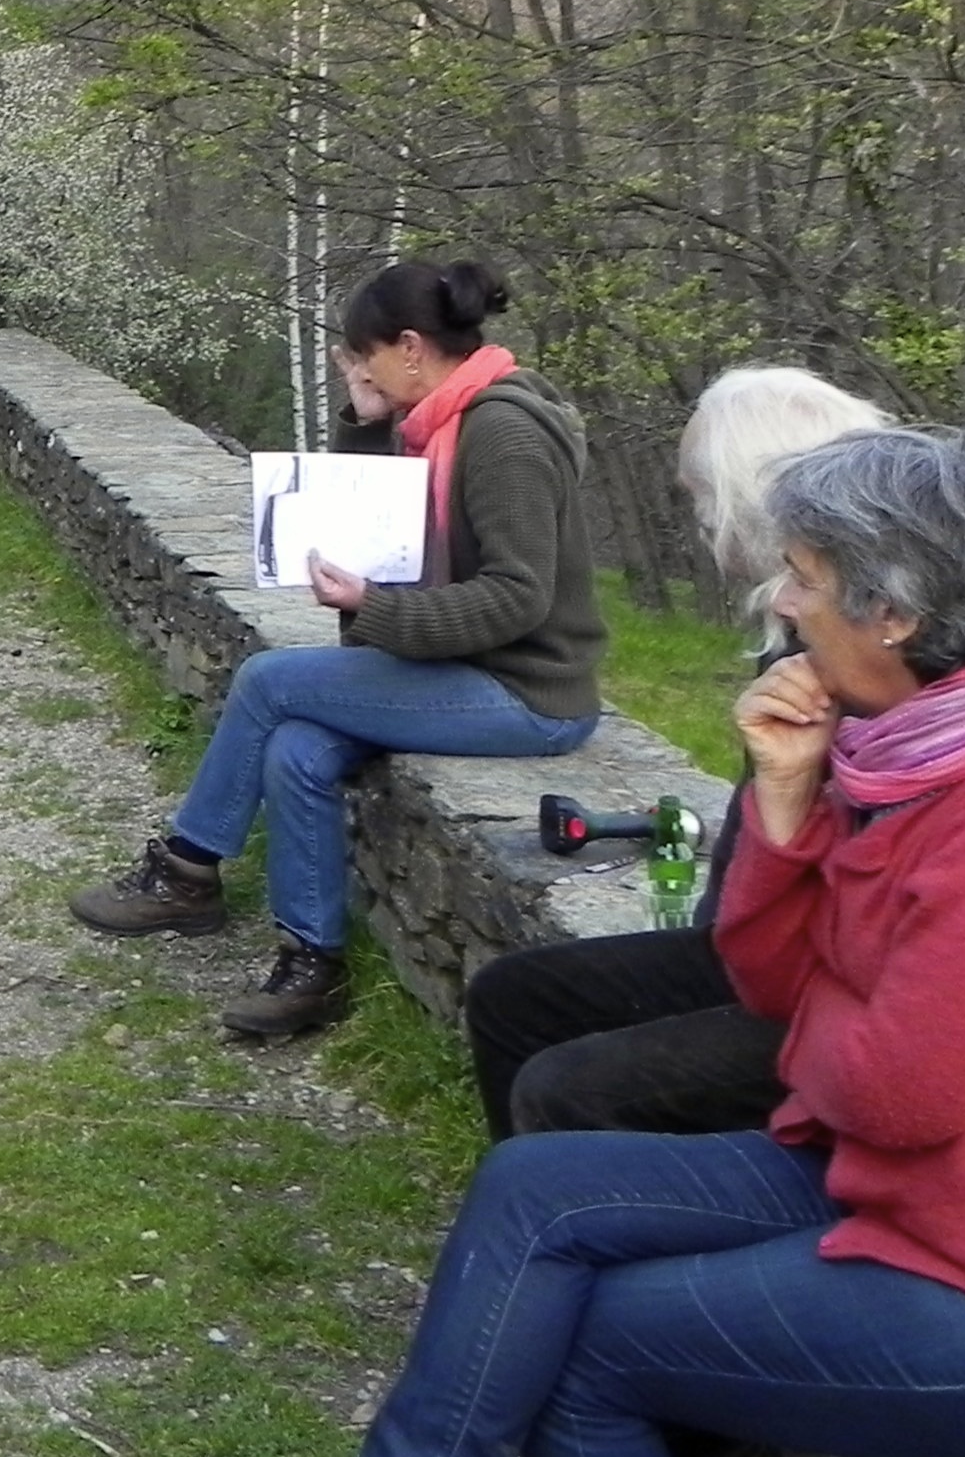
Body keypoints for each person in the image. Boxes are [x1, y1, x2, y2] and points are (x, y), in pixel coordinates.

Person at [139, 424, 965, 1457]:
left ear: (894, 612)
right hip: (888, 1186)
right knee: (538, 1184)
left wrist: (837, 1015)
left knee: (597, 1346)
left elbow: (894, 1089)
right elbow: (773, 984)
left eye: (802, 577)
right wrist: (786, 811)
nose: (781, 603)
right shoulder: (909, 749)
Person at [74, 259, 605, 1040]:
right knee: (295, 746)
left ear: (411, 347)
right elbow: (379, 530)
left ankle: (186, 870)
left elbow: (517, 596)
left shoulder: (503, 433)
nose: (362, 369)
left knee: (268, 681)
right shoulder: (439, 423)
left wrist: (373, 608)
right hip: (459, 671)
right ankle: (311, 964)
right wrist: (364, 419)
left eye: (367, 357)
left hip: (528, 693)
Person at [463, 366, 891, 1141]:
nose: (696, 518)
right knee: (512, 998)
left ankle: (589, 1201)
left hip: (831, 979)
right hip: (757, 941)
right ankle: (532, 1195)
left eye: (700, 494)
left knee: (572, 1087)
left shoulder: (863, 655)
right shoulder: (799, 635)